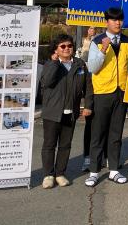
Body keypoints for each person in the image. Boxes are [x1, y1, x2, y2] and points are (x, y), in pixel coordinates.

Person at [85, 7, 128, 187]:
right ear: (107, 21)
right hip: (102, 93)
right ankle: (94, 172)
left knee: (116, 133)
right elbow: (92, 68)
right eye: (114, 20)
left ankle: (113, 169)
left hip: (121, 92)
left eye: (120, 19)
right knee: (98, 134)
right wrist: (103, 50)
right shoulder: (97, 41)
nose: (118, 23)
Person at [40, 34, 93, 188]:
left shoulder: (80, 64)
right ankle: (48, 175)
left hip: (71, 112)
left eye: (69, 45)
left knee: (65, 144)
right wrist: (55, 62)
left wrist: (88, 105)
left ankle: (60, 173)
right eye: (62, 46)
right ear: (56, 49)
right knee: (49, 144)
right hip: (52, 112)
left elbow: (88, 88)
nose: (66, 49)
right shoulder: (50, 64)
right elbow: (47, 82)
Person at [79, 26, 97, 172]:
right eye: (90, 29)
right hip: (92, 92)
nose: (93, 30)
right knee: (90, 128)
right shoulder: (87, 43)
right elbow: (84, 56)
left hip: (106, 91)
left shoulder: (104, 41)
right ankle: (87, 158)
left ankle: (104, 157)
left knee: (105, 128)